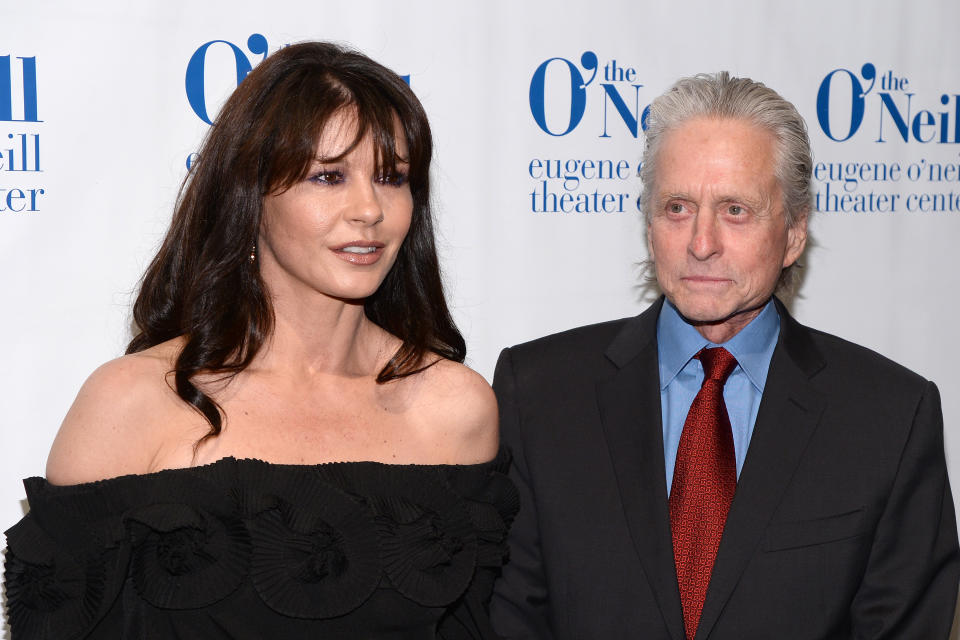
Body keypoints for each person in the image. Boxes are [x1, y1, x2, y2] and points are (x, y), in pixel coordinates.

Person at [4, 42, 517, 640]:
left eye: (391, 177)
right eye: (328, 176)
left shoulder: (456, 408)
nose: (369, 209)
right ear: (251, 198)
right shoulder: (135, 402)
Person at [489, 72, 959, 639]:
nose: (701, 241)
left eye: (735, 210)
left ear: (793, 234)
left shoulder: (890, 416)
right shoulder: (538, 394)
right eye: (678, 207)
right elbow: (509, 620)